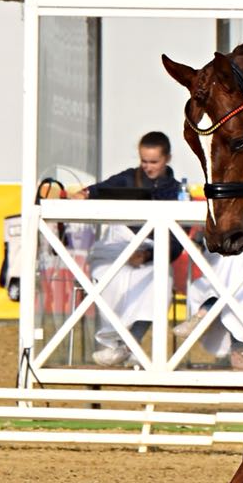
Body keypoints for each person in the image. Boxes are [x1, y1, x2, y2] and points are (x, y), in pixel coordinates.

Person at [73, 131, 182, 367]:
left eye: (154, 162)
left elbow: (177, 242)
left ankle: (128, 344)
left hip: (152, 253)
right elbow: (102, 189)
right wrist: (86, 194)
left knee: (159, 283)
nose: (148, 167)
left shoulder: (176, 192)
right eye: (144, 161)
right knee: (106, 276)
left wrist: (147, 255)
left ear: (167, 159)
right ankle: (113, 344)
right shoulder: (128, 178)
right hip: (116, 246)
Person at [173, 234, 243, 371]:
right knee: (234, 268)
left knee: (242, 261)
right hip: (222, 252)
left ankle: (201, 315)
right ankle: (241, 350)